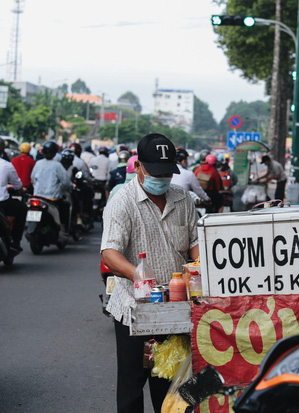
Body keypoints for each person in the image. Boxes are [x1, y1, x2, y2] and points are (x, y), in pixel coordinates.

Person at [101, 133, 199, 413]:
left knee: (173, 389)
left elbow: (194, 244)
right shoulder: (122, 202)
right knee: (132, 388)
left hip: (177, 308)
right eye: (156, 172)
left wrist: (200, 265)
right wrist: (137, 274)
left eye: (168, 172)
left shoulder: (182, 198)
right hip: (135, 310)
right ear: (138, 167)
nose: (163, 178)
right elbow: (110, 253)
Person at [0, 136, 26, 251]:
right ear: (2, 150)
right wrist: (21, 190)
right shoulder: (6, 165)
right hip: (0, 204)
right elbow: (18, 185)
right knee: (22, 209)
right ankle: (16, 241)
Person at [31, 141, 73, 233]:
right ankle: (63, 229)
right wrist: (70, 187)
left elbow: (33, 178)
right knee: (65, 206)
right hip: (52, 198)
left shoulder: (38, 163)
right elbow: (66, 182)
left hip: (37, 196)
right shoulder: (57, 165)